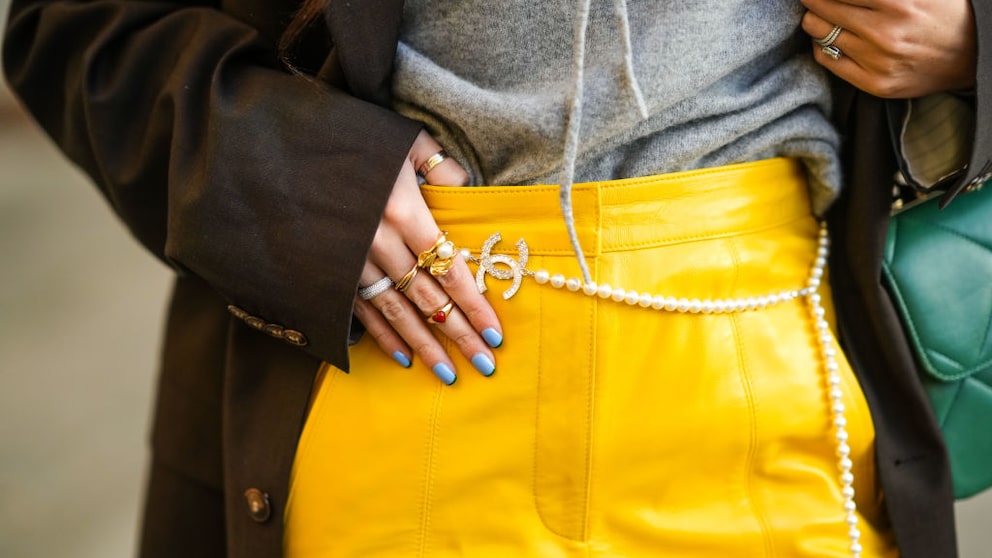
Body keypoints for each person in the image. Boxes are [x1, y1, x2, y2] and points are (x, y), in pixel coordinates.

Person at [3, 0, 989, 556]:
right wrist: (298, 178)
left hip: (765, 373)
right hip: (375, 362)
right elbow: (74, 25)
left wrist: (972, 39)